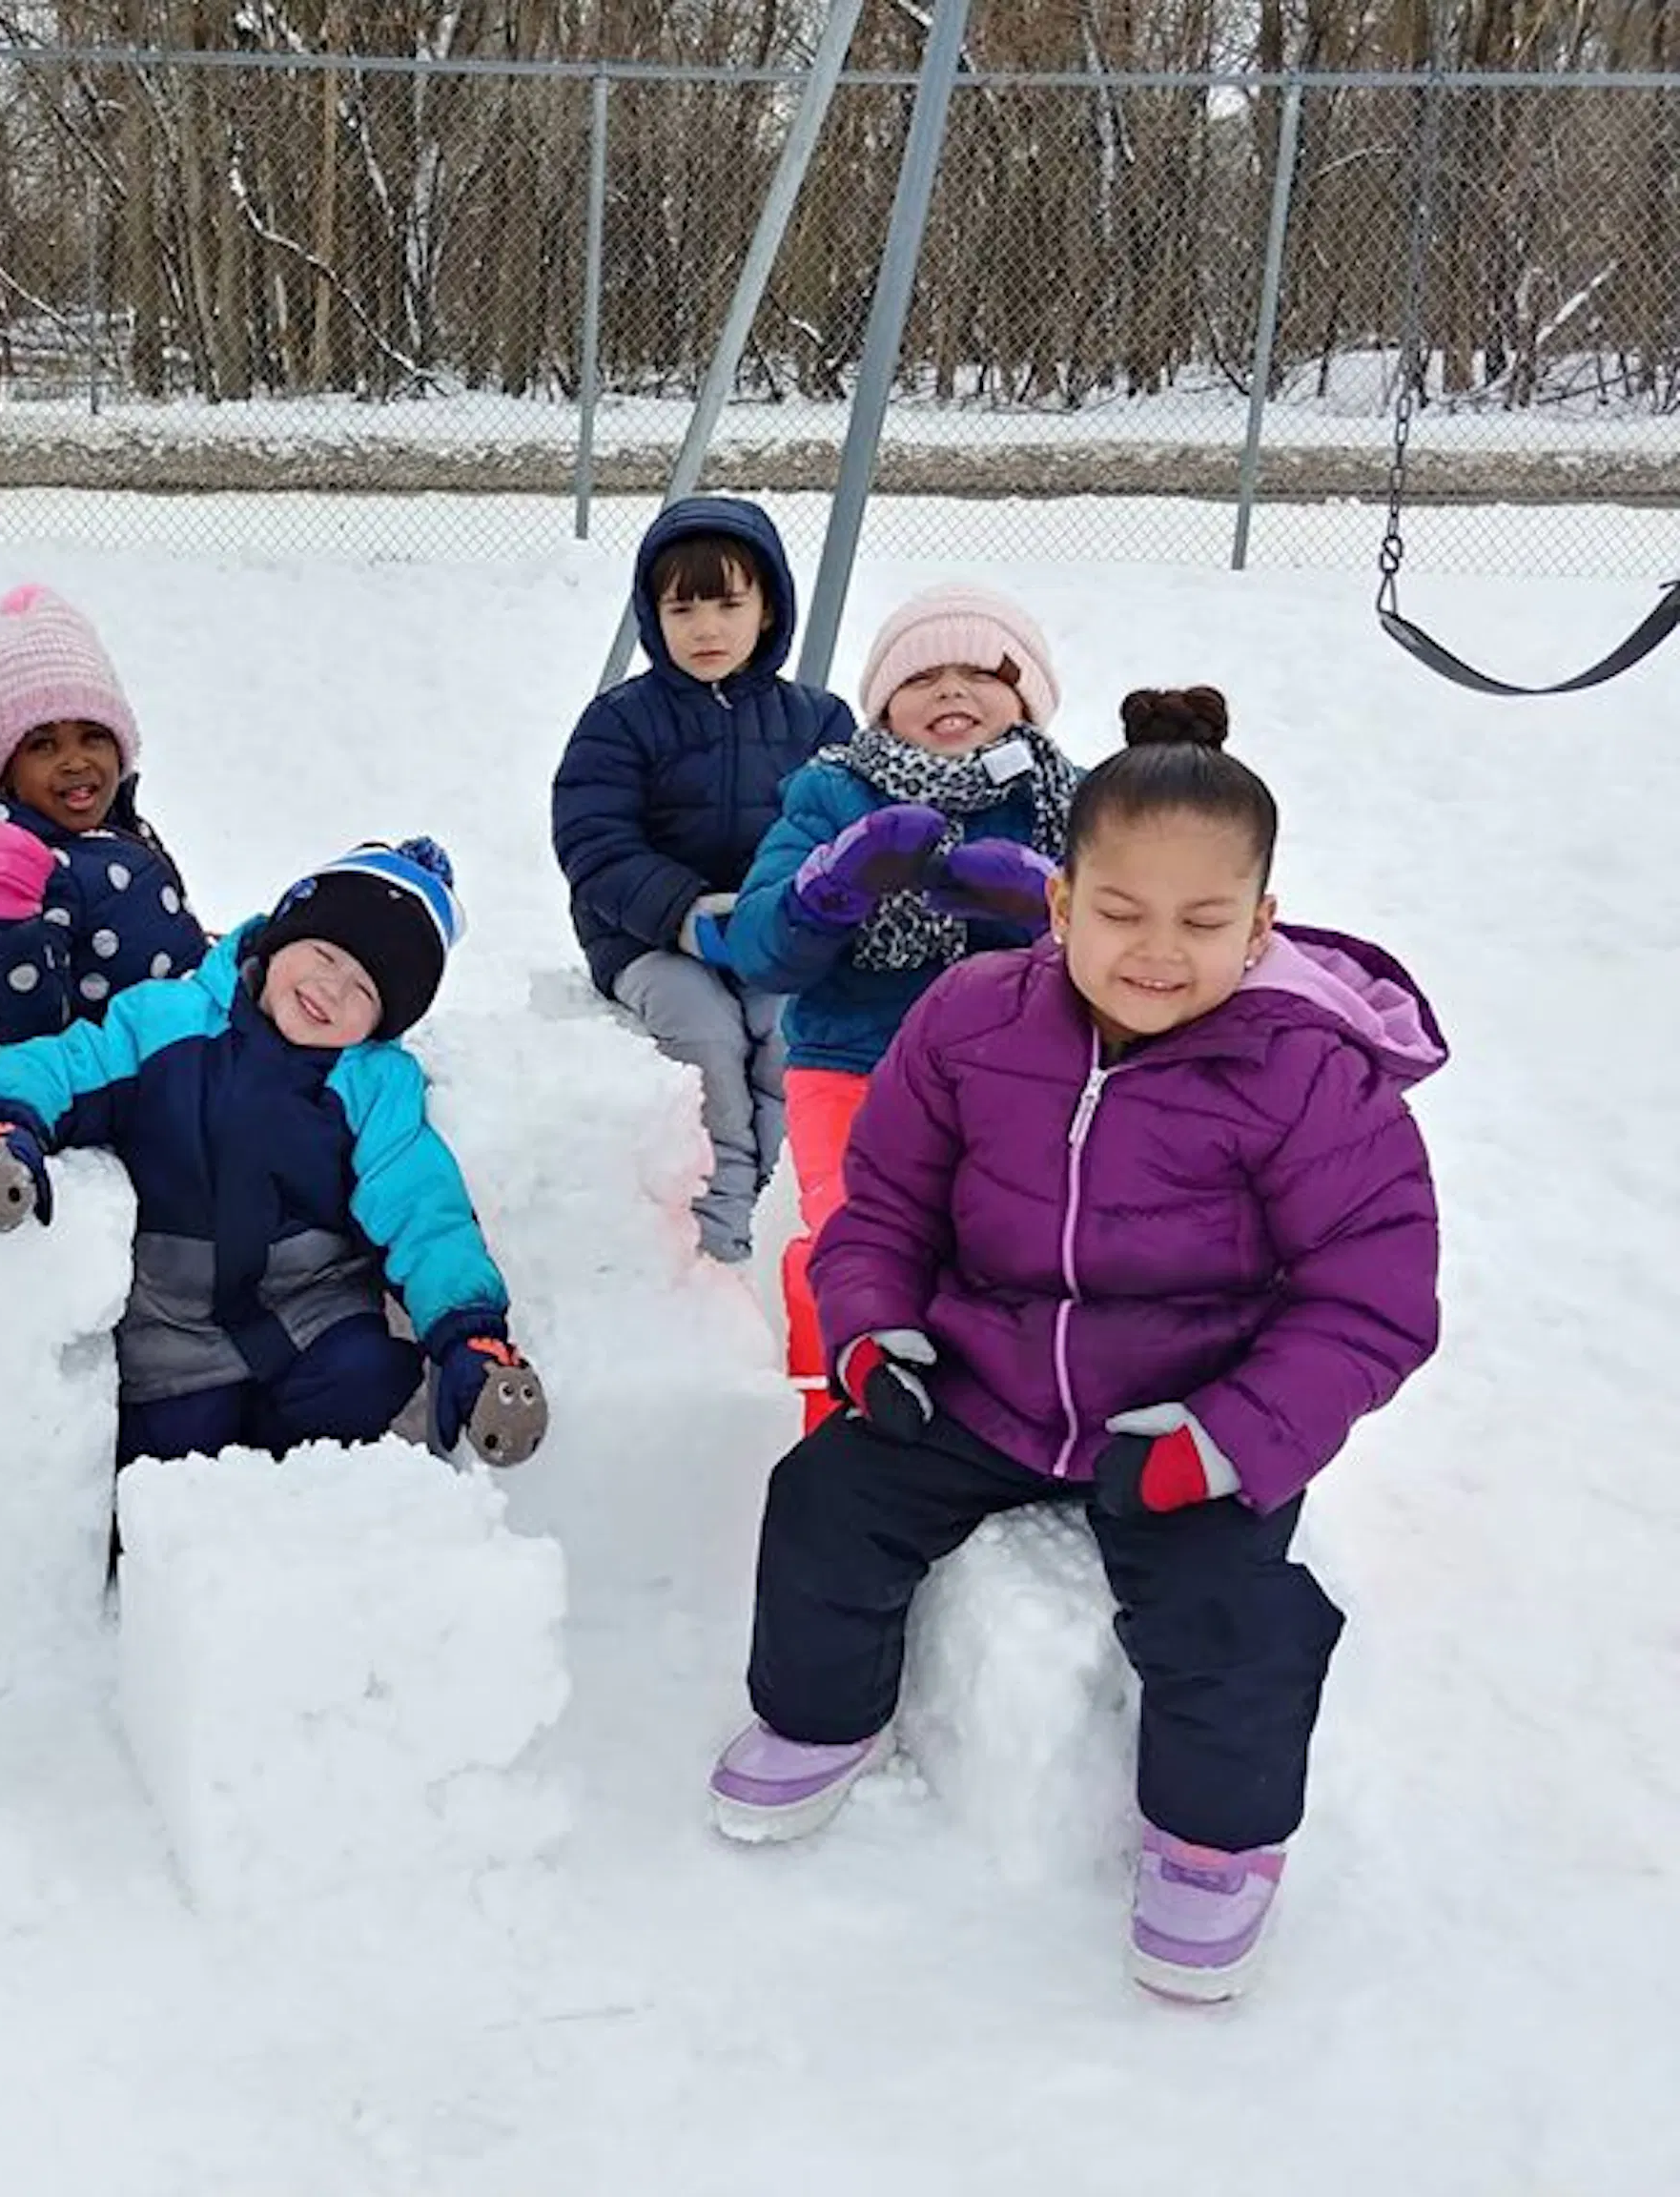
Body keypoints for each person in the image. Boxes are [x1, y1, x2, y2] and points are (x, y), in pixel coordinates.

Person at [708, 688, 1444, 2003]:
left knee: (1235, 1615)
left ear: (1260, 924)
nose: (1158, 951)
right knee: (825, 1496)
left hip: (1183, 1421)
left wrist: (1229, 1440)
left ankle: (1215, 1843)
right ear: (1059, 904)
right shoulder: (969, 1020)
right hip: (982, 1383)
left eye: (1204, 921)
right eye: (1120, 911)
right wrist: (874, 1333)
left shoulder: (1308, 1077)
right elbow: (884, 1206)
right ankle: (821, 1714)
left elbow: (1369, 1299)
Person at [0, 838, 547, 1471]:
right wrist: (3, 1121)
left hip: (313, 1312)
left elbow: (422, 1208)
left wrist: (468, 1333)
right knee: (169, 1459)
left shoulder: (373, 1085)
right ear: (278, 937)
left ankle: (304, 1494)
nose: (331, 989)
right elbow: (67, 1066)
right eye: (324, 955)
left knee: (367, 1375)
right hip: (174, 1328)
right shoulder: (165, 1020)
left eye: (364, 991)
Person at [725, 583, 1080, 1430]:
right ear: (884, 706)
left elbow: (1134, 940)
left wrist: (1049, 907)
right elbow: (759, 948)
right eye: (921, 676)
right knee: (855, 1243)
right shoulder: (831, 793)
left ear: (1028, 696)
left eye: (980, 673)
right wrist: (827, 890)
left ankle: (999, 1421)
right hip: (856, 1066)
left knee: (1013, 1251)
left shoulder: (1070, 799)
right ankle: (838, 1410)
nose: (951, 690)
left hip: (1020, 1077)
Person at [551, 496, 853, 1267]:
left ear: (768, 608)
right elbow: (594, 842)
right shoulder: (619, 721)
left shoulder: (818, 722)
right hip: (648, 940)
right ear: (653, 618)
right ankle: (722, 1223)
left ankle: (785, 1207)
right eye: (682, 609)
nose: (706, 628)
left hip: (777, 938)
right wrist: (684, 914)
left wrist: (786, 918)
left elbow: (841, 832)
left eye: (728, 604)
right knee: (708, 1034)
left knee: (787, 1032)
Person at [0, 583, 204, 1043]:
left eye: (93, 736)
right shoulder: (35, 868)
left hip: (182, 1030)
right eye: (43, 745)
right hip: (131, 1064)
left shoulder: (112, 827)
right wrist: (6, 922)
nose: (75, 761)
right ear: (8, 774)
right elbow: (23, 1023)